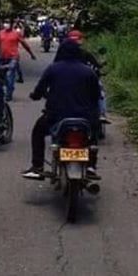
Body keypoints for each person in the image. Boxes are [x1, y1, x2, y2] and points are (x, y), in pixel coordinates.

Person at [22, 39, 101, 179]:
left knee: (38, 132)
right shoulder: (88, 72)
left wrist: (35, 96)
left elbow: (40, 89)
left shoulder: (53, 68)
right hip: (84, 118)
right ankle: (91, 166)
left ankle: (37, 166)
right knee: (93, 136)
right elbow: (96, 96)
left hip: (56, 116)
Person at [65, 30, 111, 124]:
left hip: (68, 81)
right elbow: (97, 66)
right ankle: (102, 114)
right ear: (81, 40)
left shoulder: (62, 54)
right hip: (86, 81)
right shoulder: (85, 54)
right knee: (100, 92)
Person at [0, 20, 36, 101]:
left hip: (13, 58)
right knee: (1, 76)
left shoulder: (16, 33)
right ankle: (7, 90)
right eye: (5, 22)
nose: (6, 24)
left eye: (8, 22)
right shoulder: (0, 33)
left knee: (9, 76)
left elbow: (24, 44)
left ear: (11, 25)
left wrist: (31, 54)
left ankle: (8, 95)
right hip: (2, 57)